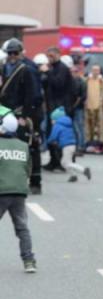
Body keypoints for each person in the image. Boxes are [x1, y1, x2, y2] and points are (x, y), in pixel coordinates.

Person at [0, 38, 42, 195]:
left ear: (20, 53)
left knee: (29, 146)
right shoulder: (4, 68)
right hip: (6, 113)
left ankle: (36, 181)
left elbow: (33, 95)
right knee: (7, 147)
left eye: (15, 53)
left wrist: (25, 116)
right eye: (10, 53)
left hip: (21, 113)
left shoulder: (27, 70)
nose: (12, 55)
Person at [0, 109, 36, 272]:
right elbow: (28, 169)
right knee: (22, 228)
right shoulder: (23, 146)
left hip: (2, 190)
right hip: (19, 192)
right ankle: (29, 261)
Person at [46, 106, 91, 182]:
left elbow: (53, 136)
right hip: (72, 144)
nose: (51, 121)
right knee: (67, 162)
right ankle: (73, 175)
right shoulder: (67, 124)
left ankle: (83, 170)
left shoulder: (57, 125)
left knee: (65, 163)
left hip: (66, 146)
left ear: (56, 119)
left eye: (52, 119)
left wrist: (48, 141)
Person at [84, 65, 103, 153]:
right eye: (94, 70)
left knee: (101, 128)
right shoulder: (86, 80)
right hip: (88, 106)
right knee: (88, 128)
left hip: (100, 107)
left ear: (99, 71)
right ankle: (89, 145)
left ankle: (102, 146)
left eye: (97, 70)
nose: (95, 72)